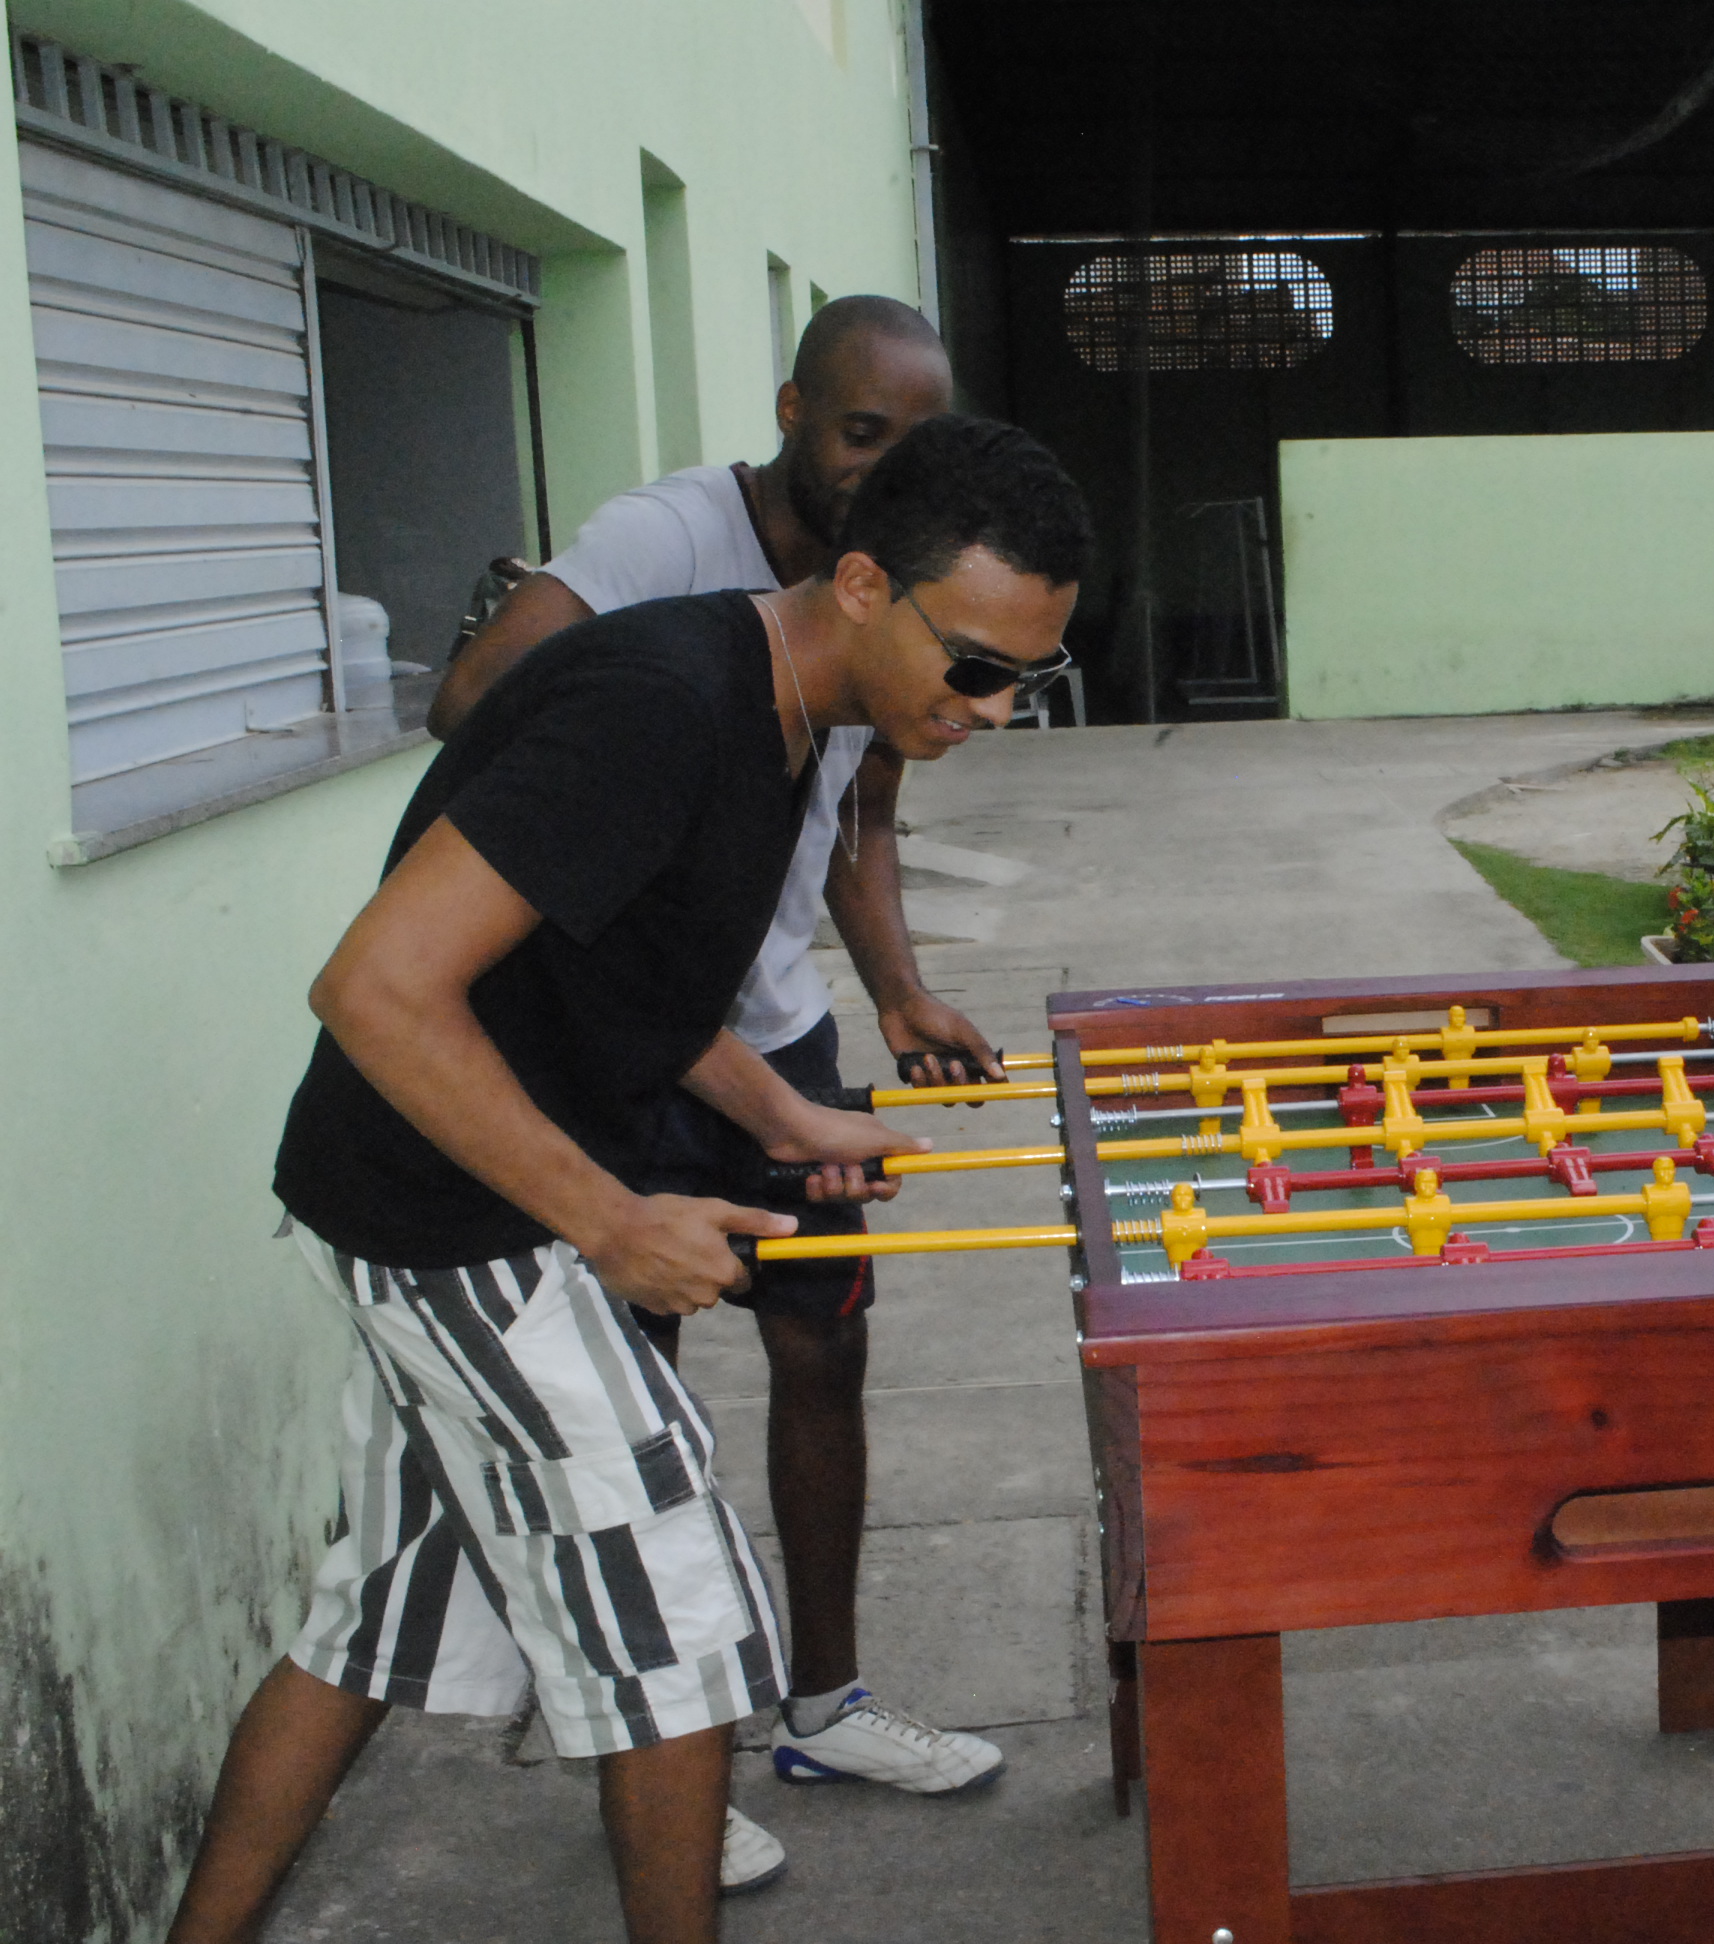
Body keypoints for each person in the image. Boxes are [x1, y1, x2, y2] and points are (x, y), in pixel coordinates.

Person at [166, 415, 1090, 1944]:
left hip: (442, 1196)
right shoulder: (659, 706)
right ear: (866, 583)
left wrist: (784, 1114)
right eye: (978, 665)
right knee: (683, 1633)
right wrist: (610, 1221)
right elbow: (375, 987)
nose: (993, 708)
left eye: (1029, 681)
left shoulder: (793, 714)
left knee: (377, 1623)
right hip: (456, 1219)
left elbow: (629, 982)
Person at [433, 298, 1011, 1872]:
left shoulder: (901, 574)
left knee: (826, 1344)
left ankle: (826, 1705)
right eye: (861, 430)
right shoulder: (666, 542)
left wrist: (898, 994)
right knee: (636, 1409)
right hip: (626, 1038)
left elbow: (865, 811)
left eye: (914, 438)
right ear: (792, 411)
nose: (884, 464)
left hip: (771, 1036)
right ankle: (663, 1762)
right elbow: (476, 700)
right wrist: (623, 817)